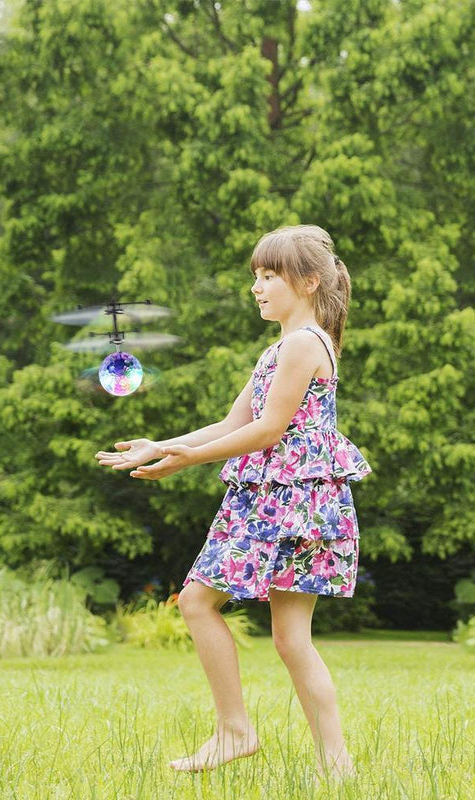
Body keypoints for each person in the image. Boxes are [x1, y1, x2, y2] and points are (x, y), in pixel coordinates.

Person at [96, 225, 370, 780]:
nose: (258, 287)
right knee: (292, 640)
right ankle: (336, 770)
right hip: (296, 500)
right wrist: (166, 445)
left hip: (284, 502)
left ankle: (236, 731)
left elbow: (269, 430)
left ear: (309, 281)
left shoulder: (300, 344)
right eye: (256, 276)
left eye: (270, 276)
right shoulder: (289, 345)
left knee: (198, 602)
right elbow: (232, 423)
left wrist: (184, 461)